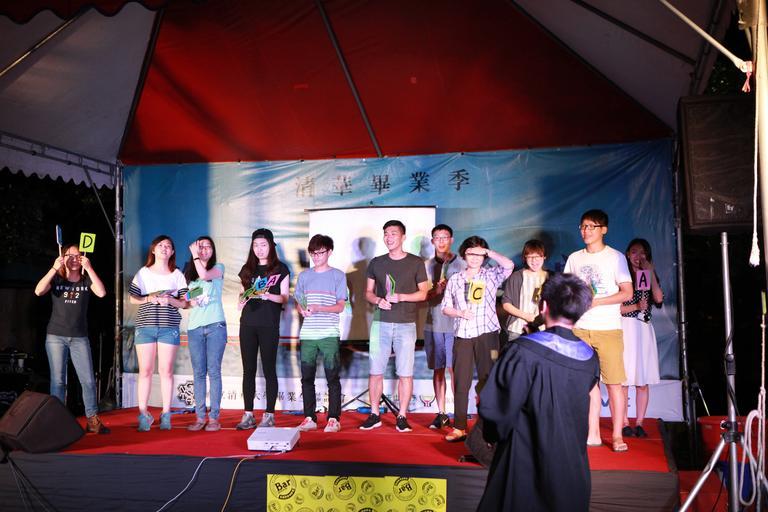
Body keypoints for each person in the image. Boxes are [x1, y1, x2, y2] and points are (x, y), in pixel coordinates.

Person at [477, 273, 600, 512]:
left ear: (543, 306)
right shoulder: (589, 358)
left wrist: (491, 435)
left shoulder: (522, 351)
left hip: (523, 464)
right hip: (571, 468)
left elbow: (497, 409)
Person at [564, 209, 633, 451]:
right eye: (583, 226)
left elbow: (627, 293)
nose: (586, 231)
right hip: (580, 329)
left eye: (591, 226)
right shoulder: (574, 258)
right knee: (585, 383)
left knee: (614, 383)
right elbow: (567, 290)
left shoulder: (615, 257)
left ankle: (617, 435)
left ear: (603, 229)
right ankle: (591, 432)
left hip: (608, 328)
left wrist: (597, 302)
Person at [440, 236, 513, 442]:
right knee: (461, 382)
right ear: (463, 255)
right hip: (462, 334)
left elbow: (509, 265)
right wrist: (460, 313)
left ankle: (488, 427)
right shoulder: (455, 278)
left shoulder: (491, 275)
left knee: (488, 380)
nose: (474, 257)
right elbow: (445, 307)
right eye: (470, 253)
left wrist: (488, 252)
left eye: (479, 254)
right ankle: (459, 427)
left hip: (487, 333)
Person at [361, 220, 429, 432]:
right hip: (380, 323)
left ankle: (402, 415)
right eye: (386, 234)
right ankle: (374, 414)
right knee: (375, 371)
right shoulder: (376, 262)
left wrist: (401, 297)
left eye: (393, 233)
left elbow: (423, 293)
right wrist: (377, 300)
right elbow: (368, 292)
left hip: (406, 324)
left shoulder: (416, 262)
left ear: (403, 237)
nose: (388, 237)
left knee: (405, 373)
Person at [35, 245, 110, 434]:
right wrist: (54, 268)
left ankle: (92, 419)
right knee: (58, 381)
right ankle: (57, 421)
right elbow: (38, 291)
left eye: (78, 256)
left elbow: (101, 293)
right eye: (70, 255)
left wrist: (90, 268)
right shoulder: (57, 279)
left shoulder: (85, 280)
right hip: (55, 336)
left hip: (79, 337)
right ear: (63, 257)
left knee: (88, 380)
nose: (75, 259)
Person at [129, 235, 189, 432]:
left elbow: (185, 303)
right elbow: (132, 298)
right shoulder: (143, 273)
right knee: (145, 371)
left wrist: (170, 300)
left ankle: (166, 414)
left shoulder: (177, 275)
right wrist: (149, 298)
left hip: (168, 327)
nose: (164, 248)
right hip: (145, 326)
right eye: (160, 245)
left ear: (172, 252)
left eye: (168, 246)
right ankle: (143, 413)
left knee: (166, 371)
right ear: (153, 250)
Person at [235, 228, 290, 430]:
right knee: (248, 370)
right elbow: (241, 294)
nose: (259, 249)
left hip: (269, 324)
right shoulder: (247, 269)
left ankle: (269, 415)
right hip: (247, 324)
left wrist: (268, 295)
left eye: (263, 245)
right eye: (256, 245)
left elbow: (284, 298)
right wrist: (241, 301)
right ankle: (248, 414)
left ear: (271, 246)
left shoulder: (280, 269)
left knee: (269, 369)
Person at [294, 234, 348, 433]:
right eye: (313, 253)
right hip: (308, 333)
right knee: (307, 377)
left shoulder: (338, 275)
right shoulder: (304, 276)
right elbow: (299, 302)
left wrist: (319, 308)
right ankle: (309, 417)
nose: (316, 256)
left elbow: (340, 306)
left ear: (329, 252)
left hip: (329, 332)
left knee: (332, 376)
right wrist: (302, 310)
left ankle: (333, 418)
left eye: (320, 252)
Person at [423, 224, 465, 430]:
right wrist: (435, 291)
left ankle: (459, 413)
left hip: (456, 325)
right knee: (438, 369)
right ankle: (441, 413)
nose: (441, 241)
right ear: (432, 241)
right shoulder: (426, 265)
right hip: (433, 324)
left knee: (454, 370)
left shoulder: (463, 264)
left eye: (445, 237)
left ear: (451, 240)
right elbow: (421, 296)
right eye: (437, 238)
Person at [620, 238, 663, 438]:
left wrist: (651, 272)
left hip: (643, 328)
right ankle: (624, 422)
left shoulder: (648, 274)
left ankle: (639, 423)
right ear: (628, 254)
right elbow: (617, 308)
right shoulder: (622, 277)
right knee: (623, 379)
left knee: (642, 380)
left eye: (643, 252)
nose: (639, 256)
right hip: (625, 327)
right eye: (635, 252)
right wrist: (636, 306)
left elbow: (659, 298)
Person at [184, 236, 227, 432]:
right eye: (200, 247)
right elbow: (186, 299)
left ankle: (214, 418)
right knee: (199, 373)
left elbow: (204, 275)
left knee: (214, 371)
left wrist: (194, 255)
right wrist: (191, 301)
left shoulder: (218, 268)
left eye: (208, 247)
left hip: (215, 325)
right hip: (195, 327)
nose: (203, 250)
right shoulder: (189, 273)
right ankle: (200, 417)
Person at [502, 239, 551, 341]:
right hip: (517, 329)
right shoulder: (516, 277)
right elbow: (506, 303)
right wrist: (526, 316)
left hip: (543, 330)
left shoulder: (551, 277)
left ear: (544, 257)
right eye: (530, 257)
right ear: (525, 257)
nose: (534, 260)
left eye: (538, 256)